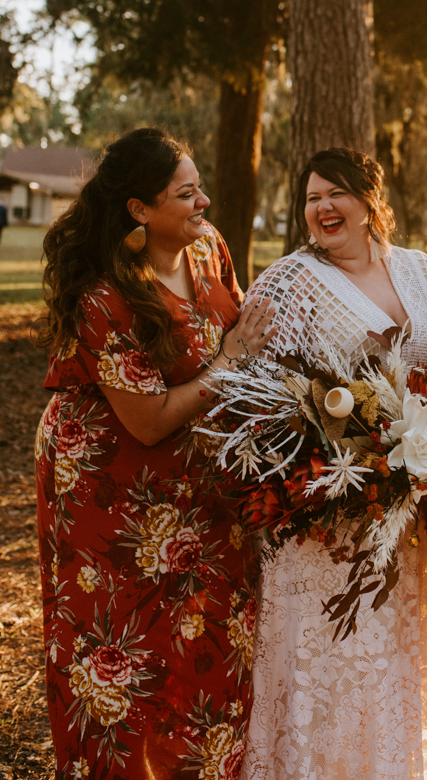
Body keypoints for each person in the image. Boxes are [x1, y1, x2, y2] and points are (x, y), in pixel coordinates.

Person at [35, 128, 275, 780]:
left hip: (206, 489)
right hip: (118, 501)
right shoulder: (106, 299)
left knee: (211, 649)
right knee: (132, 662)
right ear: (140, 209)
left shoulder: (210, 248)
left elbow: (237, 325)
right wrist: (229, 364)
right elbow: (147, 421)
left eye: (200, 188)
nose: (203, 203)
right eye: (185, 193)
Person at [239, 147, 427, 780]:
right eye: (311, 198)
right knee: (328, 658)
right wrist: (337, 458)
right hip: (323, 512)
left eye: (336, 194)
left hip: (410, 505)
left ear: (370, 203)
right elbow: (256, 391)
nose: (322, 208)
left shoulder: (420, 272)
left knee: (391, 658)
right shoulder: (288, 281)